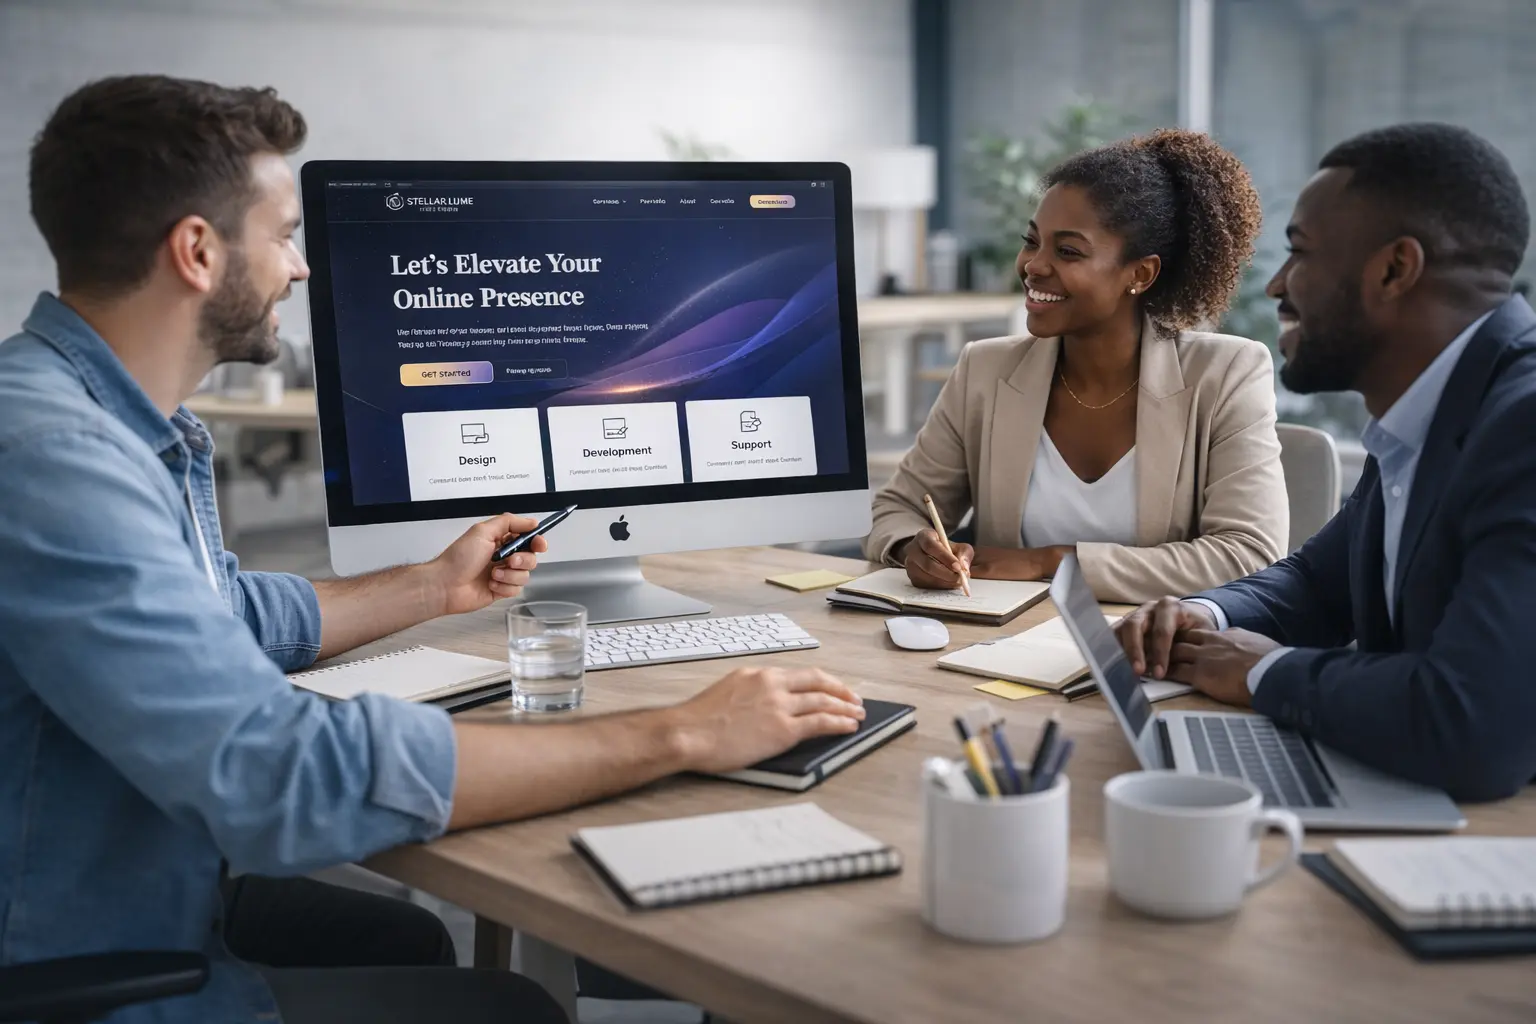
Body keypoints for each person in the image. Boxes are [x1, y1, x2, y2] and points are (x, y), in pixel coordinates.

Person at [0, 75, 865, 1024]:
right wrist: (681, 733)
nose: (300, 269)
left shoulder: (84, 414)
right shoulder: (54, 458)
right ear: (198, 252)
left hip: (138, 881)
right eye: (283, 234)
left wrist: (430, 587)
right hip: (75, 954)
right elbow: (278, 774)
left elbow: (220, 612)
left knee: (405, 939)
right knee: (512, 1011)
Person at [1116, 123, 1536, 803]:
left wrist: (1266, 673)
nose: (1277, 285)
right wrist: (1205, 616)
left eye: (1300, 253)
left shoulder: (1522, 426)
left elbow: (1475, 725)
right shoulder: (1434, 410)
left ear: (1394, 270)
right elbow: (1319, 582)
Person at [866, 129, 1287, 604]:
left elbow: (1247, 554)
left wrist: (1049, 562)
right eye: (1032, 242)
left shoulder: (1226, 373)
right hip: (997, 636)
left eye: (1067, 251)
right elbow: (897, 508)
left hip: (1149, 640)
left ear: (1140, 273)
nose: (1033, 265)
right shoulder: (985, 370)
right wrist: (913, 549)